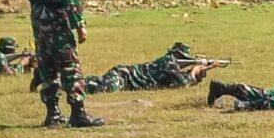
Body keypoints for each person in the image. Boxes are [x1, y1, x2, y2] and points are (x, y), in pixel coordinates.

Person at [26, 0, 100, 128]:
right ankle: (78, 112)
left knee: (46, 63)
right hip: (56, 17)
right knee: (69, 63)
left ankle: (53, 113)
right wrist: (80, 24)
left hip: (38, 17)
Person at [84, 41, 230, 93]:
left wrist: (201, 72)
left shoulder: (171, 64)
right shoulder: (168, 63)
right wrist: (196, 69)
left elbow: (178, 80)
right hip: (124, 75)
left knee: (100, 83)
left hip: (126, 78)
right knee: (105, 87)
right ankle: (73, 84)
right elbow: (182, 82)